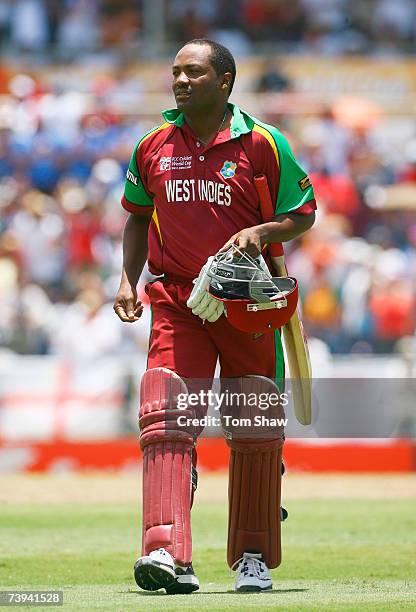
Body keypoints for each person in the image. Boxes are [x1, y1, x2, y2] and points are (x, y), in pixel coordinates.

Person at [113, 38, 316, 594]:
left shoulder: (263, 143)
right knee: (167, 415)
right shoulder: (153, 145)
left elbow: (303, 212)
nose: (180, 81)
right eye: (176, 72)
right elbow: (137, 217)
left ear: (224, 81)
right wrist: (130, 278)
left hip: (249, 302)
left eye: (193, 73)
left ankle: (252, 555)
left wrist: (259, 232)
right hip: (178, 299)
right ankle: (165, 552)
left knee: (253, 428)